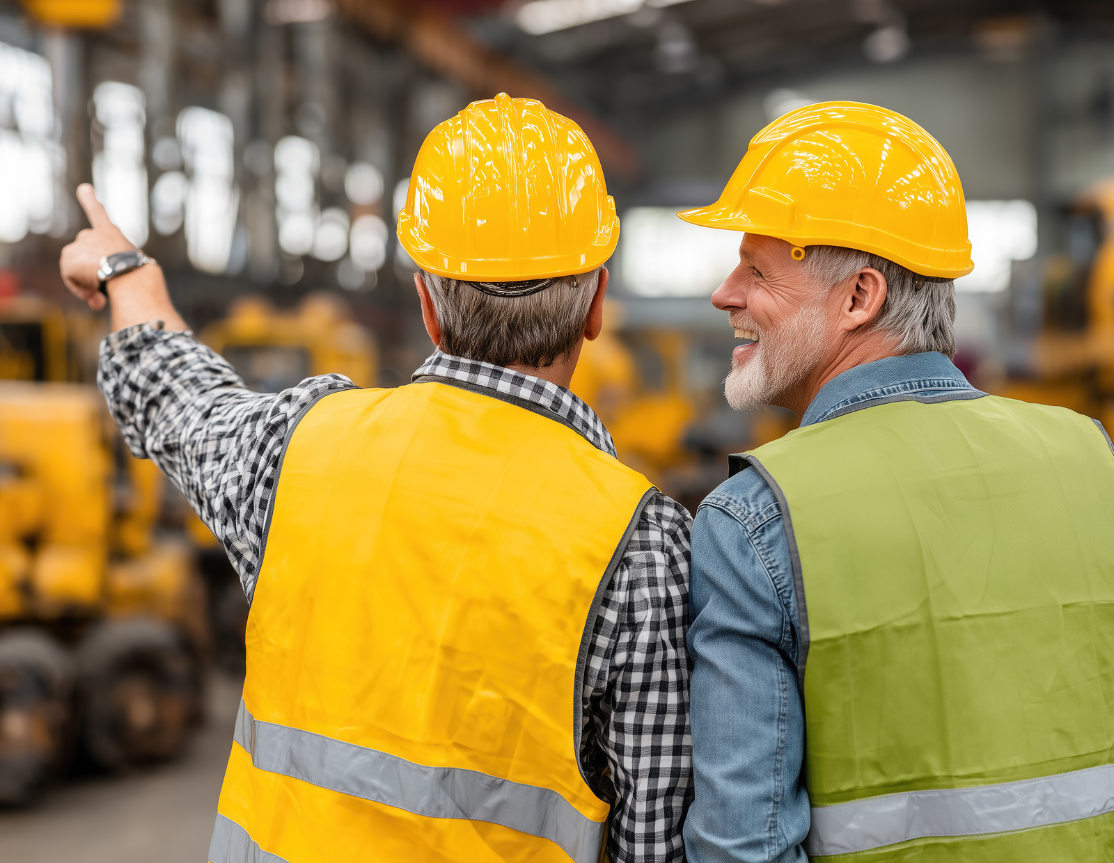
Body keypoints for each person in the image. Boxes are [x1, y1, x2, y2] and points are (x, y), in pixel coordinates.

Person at [59, 94, 692, 863]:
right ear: (596, 305)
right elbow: (658, 840)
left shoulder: (298, 445)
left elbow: (177, 397)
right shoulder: (643, 545)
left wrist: (126, 274)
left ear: (427, 300)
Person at [676, 102, 1114, 862]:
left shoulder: (756, 518)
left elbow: (739, 849)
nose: (724, 293)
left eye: (755, 270)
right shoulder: (1095, 465)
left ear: (859, 296)